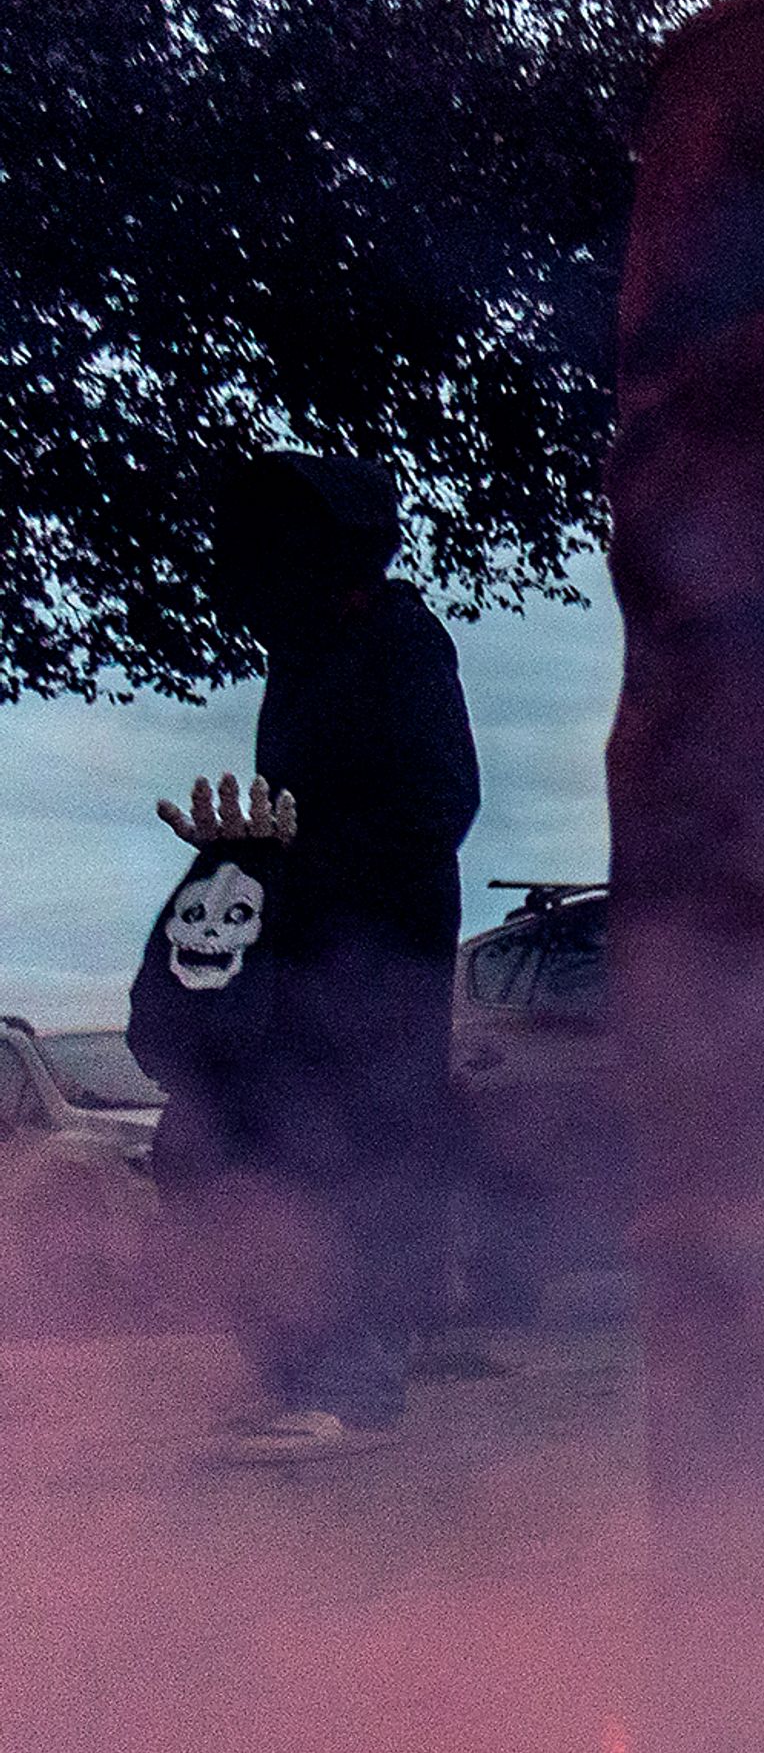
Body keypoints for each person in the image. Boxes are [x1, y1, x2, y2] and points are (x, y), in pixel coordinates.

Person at [151, 453, 481, 1460]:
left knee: (355, 1162)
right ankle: (297, 1373)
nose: (243, 572)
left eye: (269, 549)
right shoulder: (295, 666)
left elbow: (438, 807)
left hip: (377, 967)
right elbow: (287, 822)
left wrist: (302, 850)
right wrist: (245, 852)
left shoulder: (401, 643)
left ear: (333, 550)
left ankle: (355, 1389)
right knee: (209, 1148)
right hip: (297, 967)